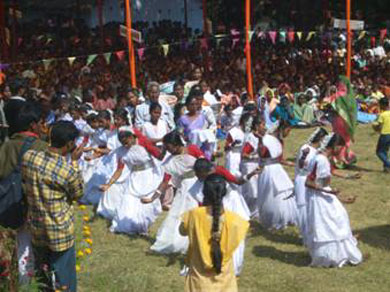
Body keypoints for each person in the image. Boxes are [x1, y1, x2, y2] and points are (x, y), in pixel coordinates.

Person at [22, 121, 84, 291]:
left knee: (42, 275)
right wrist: (75, 162)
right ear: (70, 144)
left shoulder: (29, 157)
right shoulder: (67, 170)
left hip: (37, 226)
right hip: (59, 230)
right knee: (65, 280)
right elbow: (78, 193)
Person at [0, 102, 48, 284]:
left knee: (15, 246)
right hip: (34, 206)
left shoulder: (7, 146)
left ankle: (14, 280)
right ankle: (28, 282)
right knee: (31, 247)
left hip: (9, 205)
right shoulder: (42, 147)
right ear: (33, 124)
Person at [179, 174, 249, 292]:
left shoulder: (194, 215)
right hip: (225, 279)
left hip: (199, 279)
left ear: (204, 192)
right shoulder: (235, 220)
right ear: (224, 192)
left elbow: (182, 231)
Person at [305, 133, 363, 267]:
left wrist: (338, 193)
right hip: (319, 197)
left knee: (338, 219)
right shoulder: (320, 160)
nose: (340, 151)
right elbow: (308, 182)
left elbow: (328, 175)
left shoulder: (324, 159)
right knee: (330, 224)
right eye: (340, 147)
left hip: (323, 194)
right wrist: (328, 191)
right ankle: (330, 256)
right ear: (335, 146)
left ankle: (340, 253)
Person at [98, 126, 163, 235]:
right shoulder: (122, 151)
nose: (126, 145)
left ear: (132, 137)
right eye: (123, 143)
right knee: (128, 199)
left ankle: (142, 226)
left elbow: (159, 155)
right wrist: (108, 185)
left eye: (127, 142)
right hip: (135, 177)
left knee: (144, 203)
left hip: (149, 176)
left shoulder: (143, 142)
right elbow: (119, 170)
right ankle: (123, 225)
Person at [255, 117, 298, 230]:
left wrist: (293, 164)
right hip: (268, 170)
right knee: (272, 194)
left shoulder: (280, 141)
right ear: (282, 128)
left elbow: (280, 159)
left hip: (278, 169)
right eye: (288, 130)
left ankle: (286, 217)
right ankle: (274, 219)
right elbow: (262, 155)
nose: (288, 133)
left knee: (285, 191)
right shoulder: (266, 139)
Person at [294, 128, 328, 244]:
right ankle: (305, 235)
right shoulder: (306, 149)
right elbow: (301, 165)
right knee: (304, 208)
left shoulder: (315, 151)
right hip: (303, 180)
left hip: (310, 180)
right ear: (320, 138)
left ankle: (312, 234)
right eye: (323, 139)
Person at [373, 98, 390, 172]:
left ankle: (388, 164)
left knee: (379, 152)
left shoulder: (382, 115)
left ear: (382, 105)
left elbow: (379, 126)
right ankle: (386, 168)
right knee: (385, 151)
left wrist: (374, 126)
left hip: (385, 134)